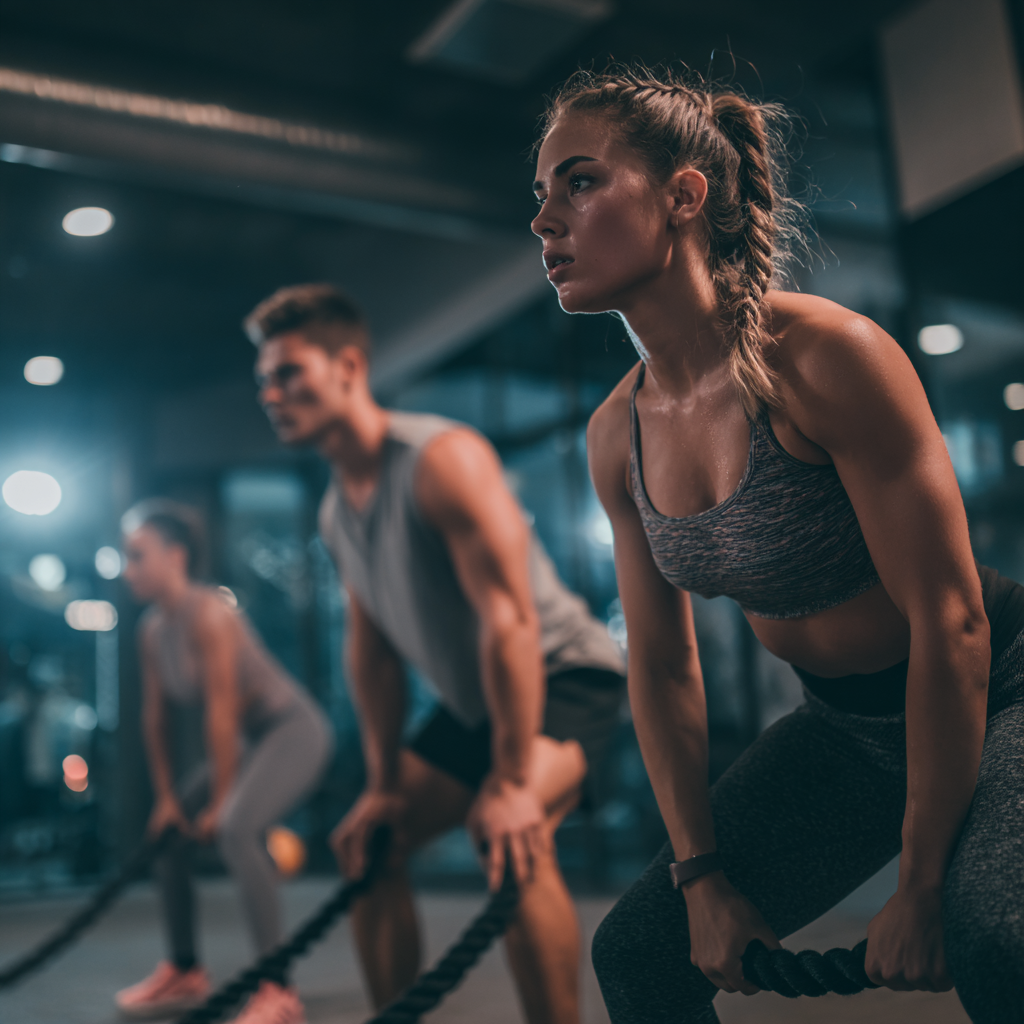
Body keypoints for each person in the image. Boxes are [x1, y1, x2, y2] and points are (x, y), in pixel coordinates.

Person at [528, 65, 1024, 1024]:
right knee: (639, 952)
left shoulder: (826, 360)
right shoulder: (615, 435)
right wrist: (702, 878)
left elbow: (953, 624)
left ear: (683, 196)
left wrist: (919, 886)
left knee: (993, 938)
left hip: (1000, 688)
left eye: (580, 181)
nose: (546, 219)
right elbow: (664, 670)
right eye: (541, 193)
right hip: (844, 729)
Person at [247, 284, 627, 1024]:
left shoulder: (441, 458)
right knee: (372, 843)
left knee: (510, 833)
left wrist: (513, 779)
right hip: (476, 700)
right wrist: (384, 782)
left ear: (348, 366)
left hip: (563, 676)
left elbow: (510, 621)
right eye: (263, 379)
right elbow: (374, 653)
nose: (271, 392)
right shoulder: (336, 511)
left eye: (289, 372)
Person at [115, 500, 333, 1024]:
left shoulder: (210, 612)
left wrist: (219, 801)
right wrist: (168, 799)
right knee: (167, 834)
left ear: (176, 556)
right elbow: (156, 721)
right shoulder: (152, 630)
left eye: (137, 556)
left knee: (236, 828)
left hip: (293, 730)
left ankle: (278, 991)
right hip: (249, 741)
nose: (128, 569)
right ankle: (186, 969)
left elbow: (221, 714)